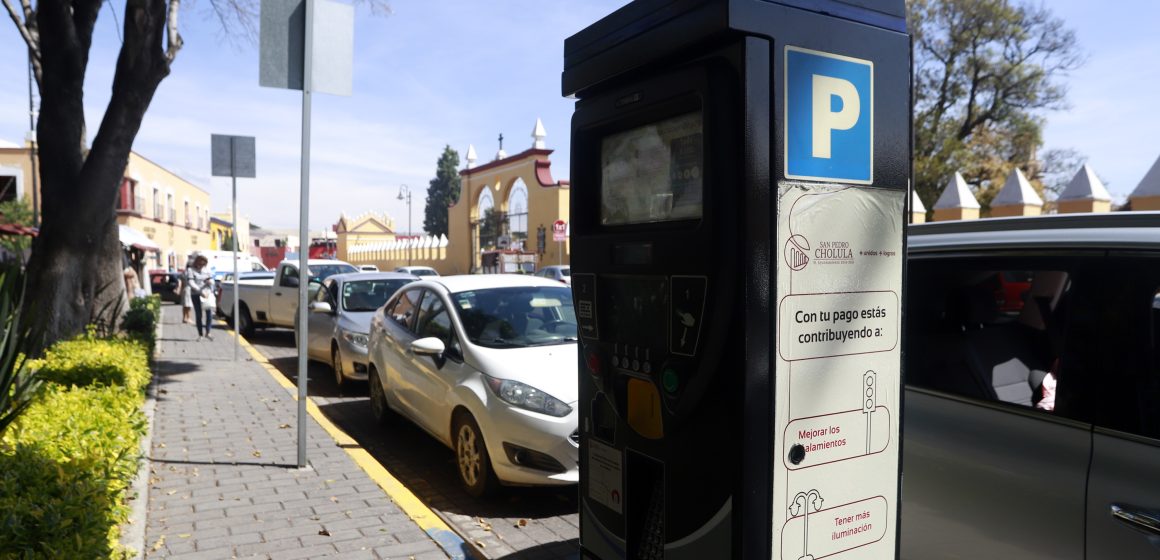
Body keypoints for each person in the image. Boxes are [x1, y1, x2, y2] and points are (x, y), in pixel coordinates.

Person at [186, 255, 214, 340]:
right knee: (199, 314)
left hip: (207, 294)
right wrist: (199, 291)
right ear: (196, 262)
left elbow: (212, 280)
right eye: (200, 264)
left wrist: (210, 282)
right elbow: (191, 282)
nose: (202, 266)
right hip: (196, 294)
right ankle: (200, 334)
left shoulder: (207, 270)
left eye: (204, 264)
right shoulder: (191, 270)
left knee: (209, 313)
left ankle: (208, 332)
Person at [180, 255, 195, 324]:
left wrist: (180, 290)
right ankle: (188, 318)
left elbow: (182, 282)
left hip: (184, 289)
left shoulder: (184, 272)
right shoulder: (190, 272)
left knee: (185, 305)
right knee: (189, 305)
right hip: (189, 289)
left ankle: (184, 318)